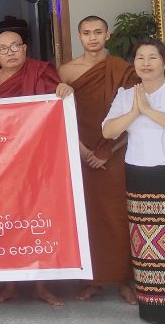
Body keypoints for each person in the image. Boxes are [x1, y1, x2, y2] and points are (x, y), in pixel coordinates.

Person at [102, 38, 165, 324]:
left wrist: (148, 110)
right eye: (140, 57)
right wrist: (134, 110)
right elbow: (108, 131)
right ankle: (153, 308)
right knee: (147, 243)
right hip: (139, 170)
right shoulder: (126, 95)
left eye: (153, 57)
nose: (146, 63)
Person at [0, 30, 73, 307]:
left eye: (14, 46)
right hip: (4, 165)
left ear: (25, 48)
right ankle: (10, 284)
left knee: (40, 221)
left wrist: (64, 91)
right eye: (3, 49)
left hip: (38, 160)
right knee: (7, 222)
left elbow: (58, 104)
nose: (10, 52)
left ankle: (42, 286)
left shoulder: (42, 72)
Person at [58, 15, 139, 303]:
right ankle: (92, 280)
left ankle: (124, 279)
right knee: (86, 216)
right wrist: (84, 152)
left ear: (107, 35)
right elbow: (61, 115)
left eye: (97, 32)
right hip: (81, 151)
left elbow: (135, 112)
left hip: (116, 152)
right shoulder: (66, 72)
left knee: (119, 215)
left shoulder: (123, 70)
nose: (92, 37)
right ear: (79, 37)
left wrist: (110, 150)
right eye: (86, 33)